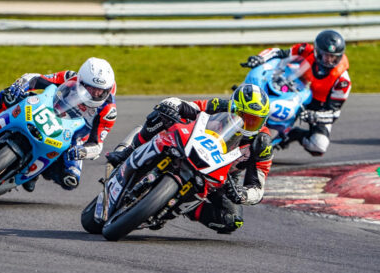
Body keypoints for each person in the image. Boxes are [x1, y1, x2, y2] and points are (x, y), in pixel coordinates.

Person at [106, 83, 273, 234]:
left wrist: (242, 194)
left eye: (255, 121)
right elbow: (188, 106)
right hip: (192, 144)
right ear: (233, 108)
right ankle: (127, 152)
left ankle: (179, 206)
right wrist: (172, 106)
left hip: (223, 177)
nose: (248, 124)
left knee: (232, 220)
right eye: (244, 117)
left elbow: (257, 188)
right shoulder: (219, 106)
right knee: (160, 114)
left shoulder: (262, 144)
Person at [0, 57, 117, 192]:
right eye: (90, 88)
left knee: (70, 179)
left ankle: (35, 172)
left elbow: (97, 145)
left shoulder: (108, 111)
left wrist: (83, 151)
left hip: (71, 138)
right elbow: (37, 79)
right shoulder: (69, 77)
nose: (95, 94)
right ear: (80, 80)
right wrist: (21, 85)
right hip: (46, 111)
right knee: (8, 95)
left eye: (100, 90)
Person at [241, 29, 352, 156]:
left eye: (334, 57)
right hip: (295, 88)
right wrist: (260, 58)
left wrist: (315, 115)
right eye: (326, 55)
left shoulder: (342, 81)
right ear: (317, 51)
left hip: (318, 107)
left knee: (318, 146)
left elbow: (334, 113)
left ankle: (291, 135)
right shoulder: (305, 49)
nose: (329, 60)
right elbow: (279, 53)